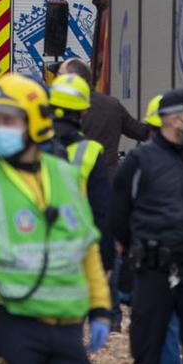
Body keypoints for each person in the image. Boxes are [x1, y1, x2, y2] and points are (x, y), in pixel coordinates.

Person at [0, 72, 112, 364]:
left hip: (67, 324)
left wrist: (100, 307)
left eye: (8, 121)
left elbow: (86, 247)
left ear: (35, 122)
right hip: (14, 321)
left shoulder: (65, 176)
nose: (0, 130)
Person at [111, 88, 183, 364]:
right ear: (173, 120)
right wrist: (139, 248)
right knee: (148, 351)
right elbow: (118, 215)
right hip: (152, 270)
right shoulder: (140, 161)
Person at [46, 74, 114, 275]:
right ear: (83, 112)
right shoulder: (90, 152)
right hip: (78, 248)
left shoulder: (31, 146)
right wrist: (106, 260)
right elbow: (102, 212)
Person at [71, 58, 149, 180]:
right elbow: (141, 132)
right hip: (107, 178)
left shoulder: (64, 107)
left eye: (60, 75)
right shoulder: (111, 105)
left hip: (76, 177)